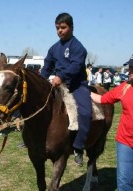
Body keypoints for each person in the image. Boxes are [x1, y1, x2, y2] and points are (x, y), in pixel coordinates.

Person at [40, 12, 92, 167]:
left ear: (71, 27)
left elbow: (75, 66)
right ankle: (35, 139)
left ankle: (78, 147)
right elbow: (47, 67)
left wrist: (61, 76)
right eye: (57, 28)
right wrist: (42, 80)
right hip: (57, 85)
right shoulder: (53, 48)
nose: (59, 31)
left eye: (63, 27)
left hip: (77, 85)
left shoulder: (78, 48)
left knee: (85, 112)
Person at [91, 55, 133, 191]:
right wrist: (83, 90)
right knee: (124, 181)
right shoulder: (124, 88)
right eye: (130, 68)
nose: (130, 72)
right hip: (125, 142)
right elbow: (103, 99)